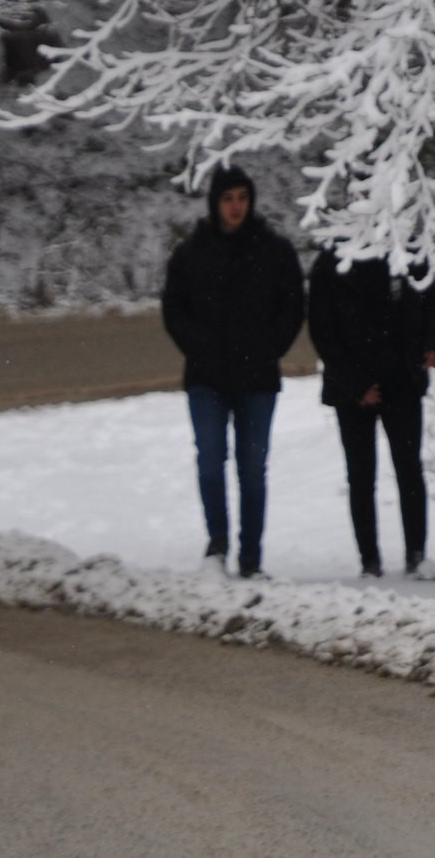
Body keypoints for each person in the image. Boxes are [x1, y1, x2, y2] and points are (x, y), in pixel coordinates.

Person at [160, 165, 305, 578]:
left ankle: (251, 557)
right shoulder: (191, 253)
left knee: (252, 470)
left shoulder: (274, 250)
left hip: (257, 379)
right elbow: (174, 309)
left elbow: (293, 305)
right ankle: (217, 544)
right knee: (210, 461)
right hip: (206, 378)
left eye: (242, 197)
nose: (236, 206)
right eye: (228, 198)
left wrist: (269, 349)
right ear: (215, 202)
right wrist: (200, 347)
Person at [307, 249, 435, 578]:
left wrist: (433, 344)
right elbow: (322, 329)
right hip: (351, 388)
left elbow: (433, 304)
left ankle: (417, 555)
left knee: (409, 469)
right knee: (360, 475)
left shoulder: (406, 250)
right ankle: (369, 559)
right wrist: (355, 386)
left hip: (403, 382)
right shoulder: (333, 260)